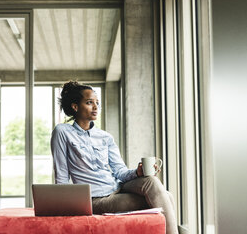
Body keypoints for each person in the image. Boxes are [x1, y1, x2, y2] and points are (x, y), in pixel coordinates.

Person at [51, 80, 178, 234]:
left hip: (117, 187)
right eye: (89, 102)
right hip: (97, 199)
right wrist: (61, 208)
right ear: (75, 106)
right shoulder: (62, 132)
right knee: (167, 197)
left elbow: (120, 172)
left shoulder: (105, 137)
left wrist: (137, 173)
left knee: (152, 181)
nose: (96, 107)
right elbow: (62, 176)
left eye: (97, 102)